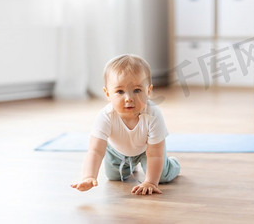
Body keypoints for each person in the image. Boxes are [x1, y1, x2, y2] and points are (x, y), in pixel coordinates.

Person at [71, 54, 180, 195]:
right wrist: (88, 176)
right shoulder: (105, 116)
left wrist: (150, 182)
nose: (129, 98)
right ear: (107, 94)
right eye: (120, 91)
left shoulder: (153, 115)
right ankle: (129, 165)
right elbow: (95, 151)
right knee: (114, 177)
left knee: (162, 176)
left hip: (148, 150)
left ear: (148, 91)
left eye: (137, 90)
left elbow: (154, 154)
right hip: (116, 151)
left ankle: (173, 164)